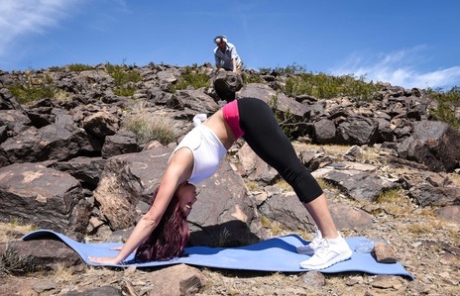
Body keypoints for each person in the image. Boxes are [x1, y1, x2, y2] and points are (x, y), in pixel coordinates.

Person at [89, 97, 352, 270]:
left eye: (186, 206)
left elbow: (150, 218)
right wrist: (140, 246)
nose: (193, 202)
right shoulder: (186, 175)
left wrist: (119, 257)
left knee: (293, 171)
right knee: (290, 172)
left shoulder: (176, 169)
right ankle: (324, 238)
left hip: (245, 113)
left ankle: (334, 242)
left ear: (174, 198)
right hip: (243, 120)